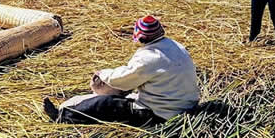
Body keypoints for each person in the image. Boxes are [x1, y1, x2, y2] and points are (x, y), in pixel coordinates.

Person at [43, 15, 200, 125]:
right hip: (186, 105)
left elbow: (123, 80)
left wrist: (103, 74)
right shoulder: (176, 46)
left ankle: (62, 117)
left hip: (160, 114)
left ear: (141, 38)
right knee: (127, 97)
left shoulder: (149, 57)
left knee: (104, 104)